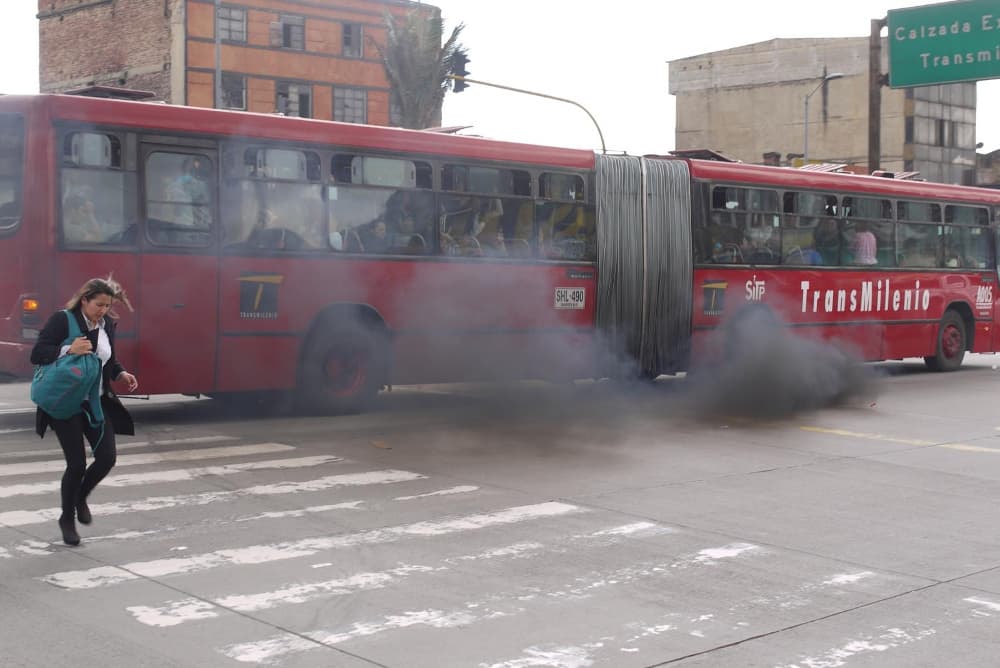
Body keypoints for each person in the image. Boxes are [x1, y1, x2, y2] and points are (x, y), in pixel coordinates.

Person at [29, 276, 139, 546]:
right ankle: (67, 518)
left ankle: (79, 498)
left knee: (106, 458)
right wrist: (67, 349)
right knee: (76, 464)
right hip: (66, 404)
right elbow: (38, 353)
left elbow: (108, 360)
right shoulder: (63, 320)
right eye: (98, 305)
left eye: (107, 306)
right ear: (85, 300)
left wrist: (121, 372)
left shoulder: (106, 325)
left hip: (97, 402)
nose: (102, 310)